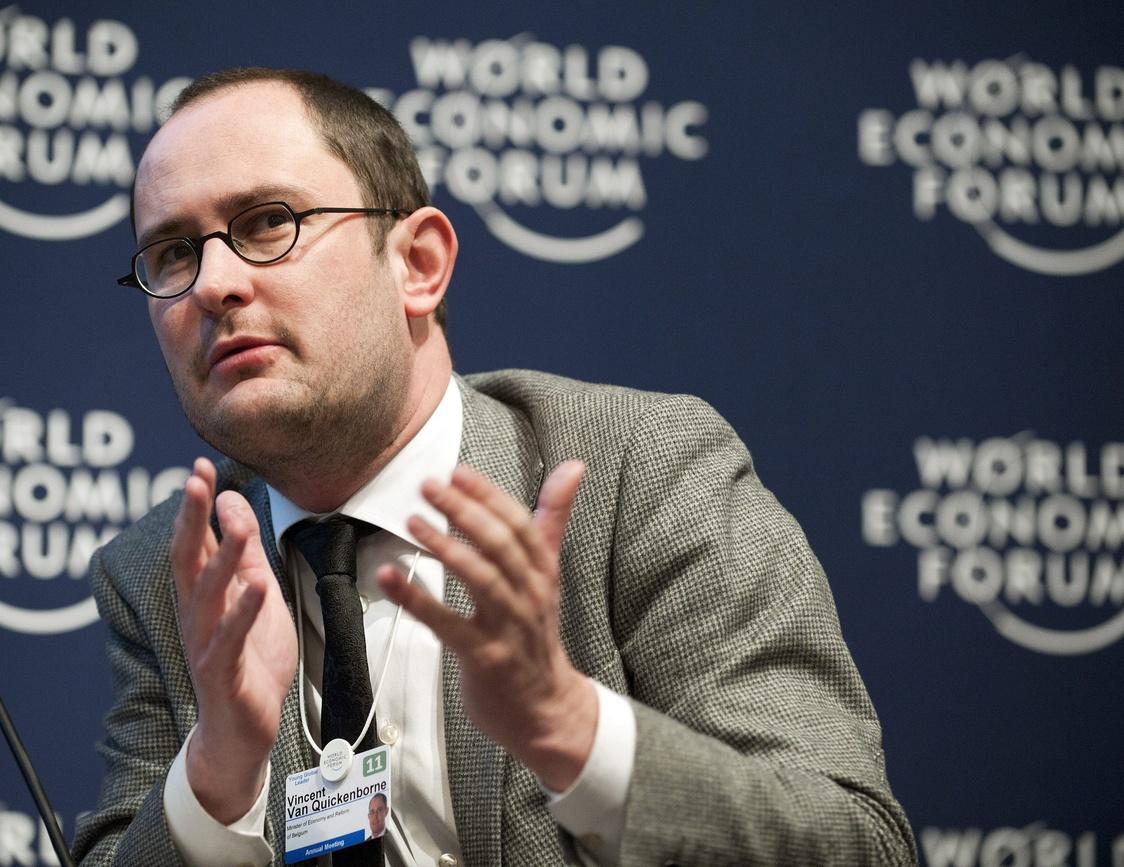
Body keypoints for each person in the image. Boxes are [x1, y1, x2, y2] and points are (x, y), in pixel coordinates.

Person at [72, 66, 916, 866]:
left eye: (266, 222)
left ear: (418, 264)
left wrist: (570, 727)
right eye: (174, 253)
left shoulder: (639, 475)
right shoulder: (169, 574)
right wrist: (215, 779)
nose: (212, 283)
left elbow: (855, 842)